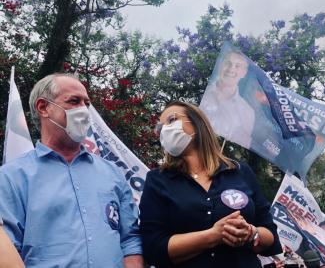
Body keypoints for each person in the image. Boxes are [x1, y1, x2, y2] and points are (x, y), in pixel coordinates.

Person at [0, 74, 143, 267]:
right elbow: (7, 248)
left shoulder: (112, 173)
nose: (84, 109)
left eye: (87, 103)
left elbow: (130, 239)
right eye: (74, 101)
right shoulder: (11, 177)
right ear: (43, 108)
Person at [139, 101, 282, 268]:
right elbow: (153, 248)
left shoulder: (240, 171)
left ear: (197, 123)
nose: (164, 129)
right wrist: (213, 235)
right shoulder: (157, 180)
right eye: (159, 128)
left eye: (171, 120)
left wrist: (251, 233)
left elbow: (270, 235)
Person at [199, 51, 255, 148]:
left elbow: (240, 146)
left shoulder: (247, 112)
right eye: (228, 63)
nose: (231, 69)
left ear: (244, 73)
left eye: (237, 66)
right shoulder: (201, 91)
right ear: (221, 66)